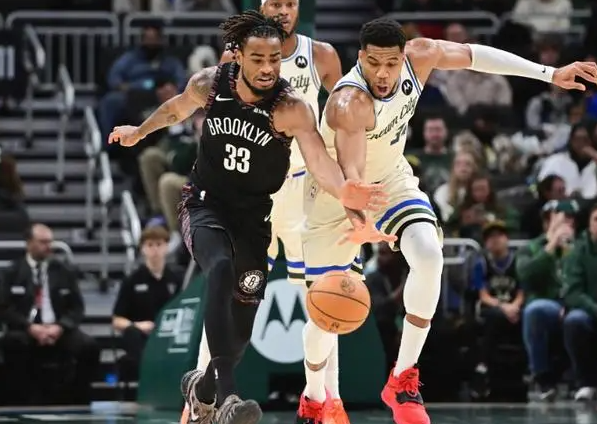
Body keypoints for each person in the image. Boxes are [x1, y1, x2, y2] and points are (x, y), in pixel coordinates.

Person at [297, 17, 597, 424]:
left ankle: (402, 379)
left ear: (403, 56)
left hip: (391, 179)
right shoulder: (349, 103)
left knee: (429, 254)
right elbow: (351, 175)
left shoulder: (421, 56)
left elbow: (476, 56)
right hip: (336, 196)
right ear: (361, 58)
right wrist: (361, 220)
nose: (383, 74)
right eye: (374, 64)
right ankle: (314, 397)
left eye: (391, 63)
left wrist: (549, 73)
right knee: (325, 310)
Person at [108, 11, 387, 424]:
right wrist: (139, 131)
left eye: (274, 59)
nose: (268, 68)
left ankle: (202, 388)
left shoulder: (291, 108)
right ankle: (228, 399)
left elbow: (317, 160)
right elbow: (174, 110)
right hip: (204, 203)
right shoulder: (210, 84)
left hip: (254, 218)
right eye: (258, 59)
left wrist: (346, 192)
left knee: (242, 325)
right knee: (219, 268)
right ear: (238, 55)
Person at [186, 1, 347, 422]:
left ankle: (326, 400)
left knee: (326, 295)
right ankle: (202, 401)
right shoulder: (233, 60)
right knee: (225, 287)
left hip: (305, 189)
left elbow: (341, 122)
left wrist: (346, 185)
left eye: (290, 2)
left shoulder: (321, 56)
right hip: (250, 197)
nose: (283, 10)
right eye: (275, 2)